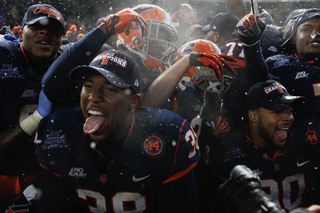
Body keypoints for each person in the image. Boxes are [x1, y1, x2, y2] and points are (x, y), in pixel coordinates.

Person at [35, 49, 200, 212]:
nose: (94, 97)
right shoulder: (58, 132)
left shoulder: (168, 135)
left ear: (133, 101)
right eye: (88, 86)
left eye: (109, 89)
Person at [198, 80, 320, 212]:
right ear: (253, 116)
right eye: (277, 111)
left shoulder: (308, 139)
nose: (288, 118)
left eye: (290, 111)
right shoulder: (225, 150)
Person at [0, 3, 65, 211]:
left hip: (47, 177)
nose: (45, 32)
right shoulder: (4, 58)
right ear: (20, 33)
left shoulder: (69, 66)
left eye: (54, 30)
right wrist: (37, 118)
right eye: (37, 27)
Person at [236, 8, 320, 121]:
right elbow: (260, 81)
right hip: (295, 135)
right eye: (307, 29)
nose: (315, 34)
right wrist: (251, 45)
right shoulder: (282, 66)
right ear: (294, 39)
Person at [117, 4, 178, 91]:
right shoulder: (113, 64)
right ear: (134, 31)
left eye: (166, 40)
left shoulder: (156, 73)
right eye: (157, 36)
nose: (163, 46)